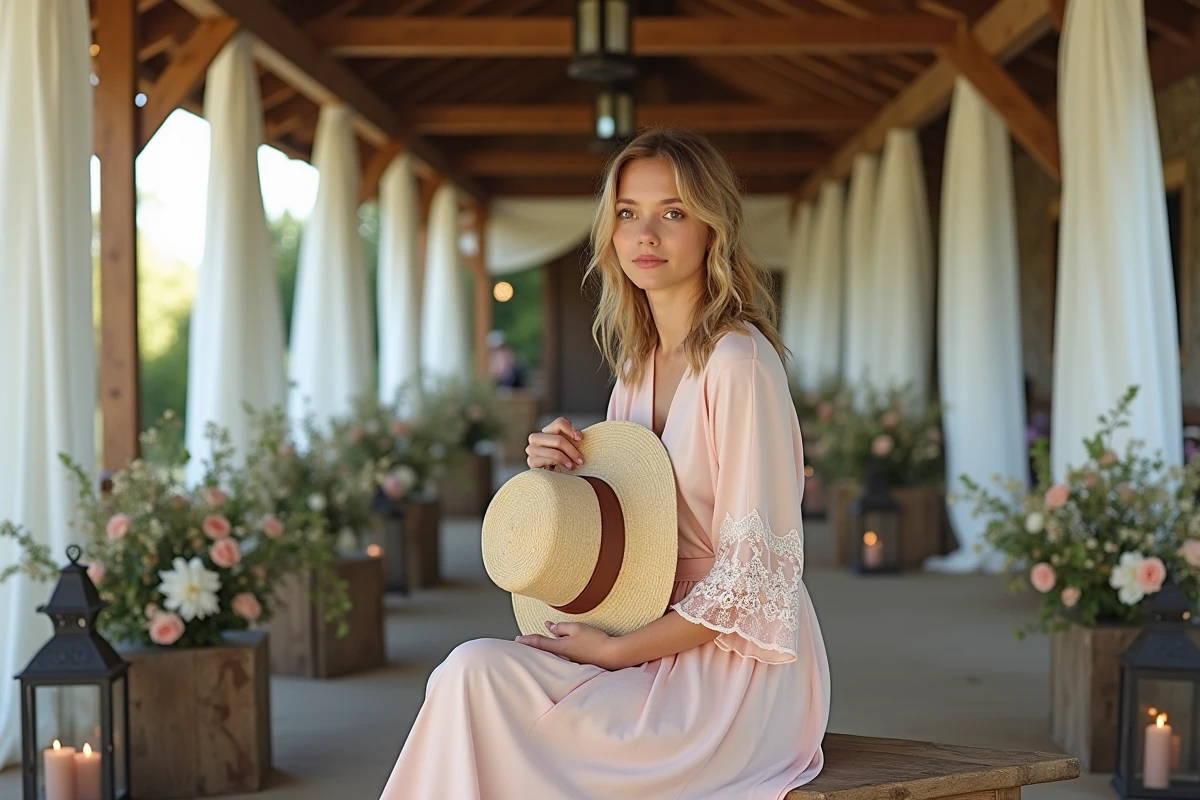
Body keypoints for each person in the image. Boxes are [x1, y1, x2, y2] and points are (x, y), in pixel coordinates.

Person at [377, 128, 830, 799]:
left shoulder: (740, 366)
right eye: (628, 213)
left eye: (672, 212)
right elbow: (632, 530)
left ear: (713, 229)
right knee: (467, 671)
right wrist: (560, 476)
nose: (646, 232)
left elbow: (755, 581)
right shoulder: (634, 369)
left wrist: (613, 652)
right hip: (642, 626)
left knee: (490, 704)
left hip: (730, 672)